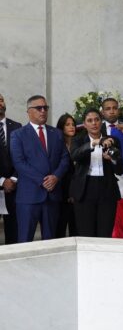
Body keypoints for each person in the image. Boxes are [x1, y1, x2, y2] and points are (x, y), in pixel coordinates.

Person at [9, 95, 70, 242]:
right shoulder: (18, 134)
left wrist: (55, 177)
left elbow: (65, 158)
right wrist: (42, 181)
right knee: (25, 240)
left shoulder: (57, 133)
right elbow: (19, 163)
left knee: (50, 240)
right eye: (38, 108)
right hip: (29, 196)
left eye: (45, 108)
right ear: (29, 111)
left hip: (52, 195)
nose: (43, 111)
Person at [70, 107, 123, 237]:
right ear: (84, 124)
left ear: (101, 121)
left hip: (107, 189)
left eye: (96, 120)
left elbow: (121, 169)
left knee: (105, 232)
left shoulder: (113, 141)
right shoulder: (78, 139)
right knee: (86, 232)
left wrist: (113, 160)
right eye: (89, 120)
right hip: (85, 189)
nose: (94, 123)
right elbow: (75, 155)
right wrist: (94, 143)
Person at [0, 92, 22, 244]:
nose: (0, 103)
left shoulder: (17, 127)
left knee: (13, 233)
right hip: (1, 184)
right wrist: (2, 181)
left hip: (15, 189)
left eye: (1, 99)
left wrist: (13, 179)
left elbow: (23, 156)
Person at [56, 112, 79, 238]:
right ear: (61, 127)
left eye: (73, 124)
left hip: (77, 195)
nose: (72, 127)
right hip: (61, 194)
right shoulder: (57, 145)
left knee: (76, 231)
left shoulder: (80, 143)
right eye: (67, 125)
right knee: (59, 230)